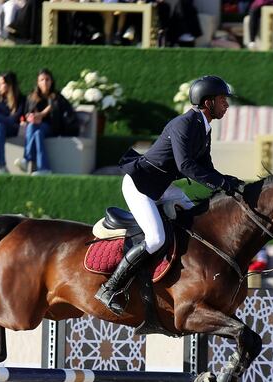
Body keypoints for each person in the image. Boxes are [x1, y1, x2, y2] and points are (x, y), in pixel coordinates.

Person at [95, 75, 245, 314]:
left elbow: (206, 167)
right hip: (140, 185)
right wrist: (221, 183)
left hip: (163, 187)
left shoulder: (204, 128)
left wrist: (230, 182)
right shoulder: (183, 124)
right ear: (207, 103)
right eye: (222, 99)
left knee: (195, 220)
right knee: (156, 239)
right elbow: (185, 165)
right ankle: (111, 287)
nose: (226, 104)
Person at [15, 69, 76, 176]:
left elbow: (65, 113)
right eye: (42, 80)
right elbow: (26, 113)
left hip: (53, 128)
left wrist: (42, 114)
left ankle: (26, 158)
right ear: (38, 83)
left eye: (47, 79)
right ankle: (44, 168)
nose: (45, 82)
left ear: (51, 81)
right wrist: (30, 117)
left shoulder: (57, 97)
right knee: (36, 132)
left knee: (33, 127)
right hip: (37, 129)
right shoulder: (32, 97)